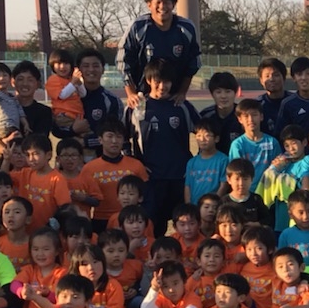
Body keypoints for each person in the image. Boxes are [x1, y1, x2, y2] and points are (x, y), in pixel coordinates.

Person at [127, 58, 195, 236]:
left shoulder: (181, 106)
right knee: (153, 226)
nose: (162, 86)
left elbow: (205, 132)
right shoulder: (138, 106)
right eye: (157, 81)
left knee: (183, 225)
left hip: (179, 177)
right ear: (149, 81)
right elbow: (122, 136)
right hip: (151, 178)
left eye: (167, 81)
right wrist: (135, 164)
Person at [116, 0, 202, 103]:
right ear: (149, 4)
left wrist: (182, 92)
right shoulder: (138, 27)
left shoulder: (186, 28)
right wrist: (131, 94)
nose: (162, 7)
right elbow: (123, 61)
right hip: (143, 97)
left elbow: (193, 63)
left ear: (173, 4)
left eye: (167, 2)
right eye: (158, 2)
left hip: (173, 97)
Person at [71, 48, 123, 159]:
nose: (91, 70)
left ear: (103, 69)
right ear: (78, 70)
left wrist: (86, 142)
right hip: (72, 162)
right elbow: (57, 130)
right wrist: (73, 130)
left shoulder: (112, 101)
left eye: (95, 66)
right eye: (86, 66)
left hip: (101, 161)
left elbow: (115, 133)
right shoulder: (68, 98)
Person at [198, 71, 243, 153]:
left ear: (235, 93)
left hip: (237, 164)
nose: (223, 96)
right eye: (218, 92)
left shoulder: (243, 115)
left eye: (228, 91)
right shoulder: (205, 116)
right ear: (212, 94)